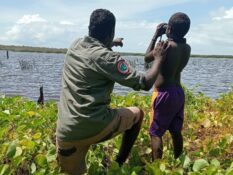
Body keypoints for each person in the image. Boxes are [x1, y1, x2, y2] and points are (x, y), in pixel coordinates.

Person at [56, 8, 169, 175]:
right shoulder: (109, 58)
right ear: (111, 32)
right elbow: (144, 83)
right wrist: (158, 59)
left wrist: (111, 42)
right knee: (137, 114)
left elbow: (94, 50)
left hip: (67, 133)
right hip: (95, 126)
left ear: (89, 28)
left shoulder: (75, 45)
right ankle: (118, 164)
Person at [144, 12, 191, 160]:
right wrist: (169, 32)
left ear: (168, 29)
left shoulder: (165, 45)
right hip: (178, 92)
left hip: (163, 94)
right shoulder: (187, 48)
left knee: (155, 133)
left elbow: (146, 58)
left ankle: (157, 168)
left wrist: (156, 35)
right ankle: (178, 161)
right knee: (175, 131)